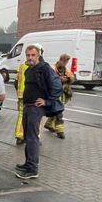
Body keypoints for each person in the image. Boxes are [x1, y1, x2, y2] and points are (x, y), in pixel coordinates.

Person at [15, 44, 63, 179]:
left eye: (33, 55)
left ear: (38, 55)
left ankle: (32, 168)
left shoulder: (44, 69)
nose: (30, 58)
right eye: (28, 55)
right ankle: (28, 163)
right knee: (28, 137)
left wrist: (47, 102)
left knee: (32, 138)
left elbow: (57, 86)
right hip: (28, 106)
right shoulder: (29, 69)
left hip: (35, 108)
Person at [44, 53, 75, 139]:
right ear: (62, 60)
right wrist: (59, 79)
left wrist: (68, 79)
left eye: (67, 62)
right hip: (54, 93)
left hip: (62, 93)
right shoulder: (53, 68)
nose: (66, 63)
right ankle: (60, 131)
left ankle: (49, 124)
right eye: (65, 61)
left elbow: (72, 77)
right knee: (59, 112)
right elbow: (50, 79)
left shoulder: (66, 69)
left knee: (56, 110)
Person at [13, 61, 28, 145]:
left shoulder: (21, 66)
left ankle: (20, 136)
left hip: (21, 95)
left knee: (21, 115)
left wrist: (19, 91)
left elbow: (16, 81)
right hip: (31, 96)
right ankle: (23, 135)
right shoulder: (37, 66)